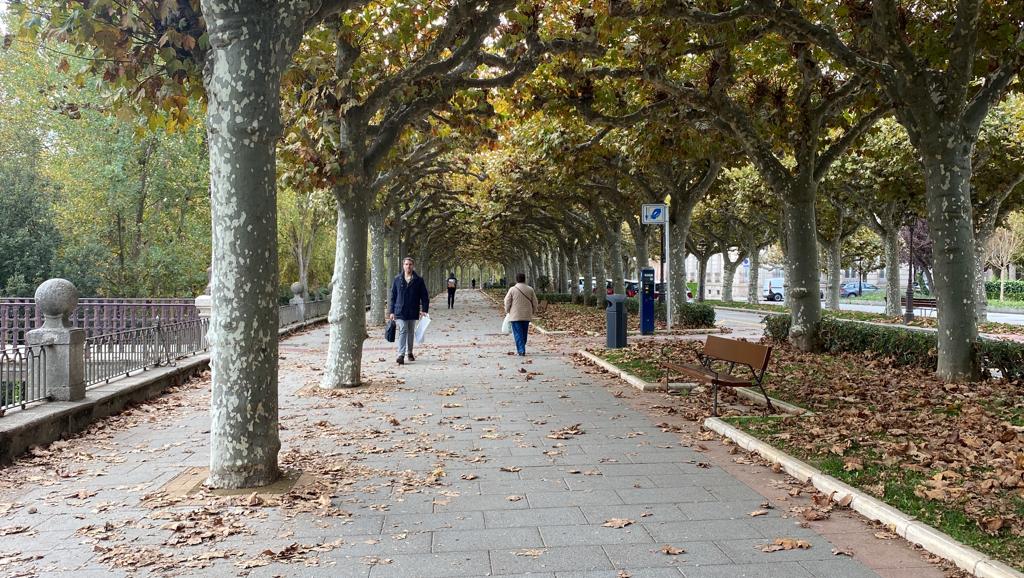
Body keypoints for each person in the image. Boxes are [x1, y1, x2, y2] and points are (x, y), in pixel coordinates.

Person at [389, 257, 429, 365]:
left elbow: (424, 296)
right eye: (406, 264)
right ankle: (401, 355)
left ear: (413, 266)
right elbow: (393, 296)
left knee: (410, 332)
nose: (408, 266)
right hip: (400, 311)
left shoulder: (419, 280)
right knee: (403, 330)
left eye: (410, 264)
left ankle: (410, 352)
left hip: (413, 310)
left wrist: (424, 310)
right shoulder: (397, 279)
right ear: (403, 266)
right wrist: (391, 312)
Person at [503, 272, 538, 356]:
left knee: (518, 333)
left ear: (516, 279)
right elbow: (535, 302)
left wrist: (507, 310)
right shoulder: (530, 289)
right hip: (526, 315)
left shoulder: (512, 289)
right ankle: (522, 348)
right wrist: (533, 311)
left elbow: (507, 301)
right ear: (524, 279)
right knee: (524, 332)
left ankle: (521, 350)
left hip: (515, 315)